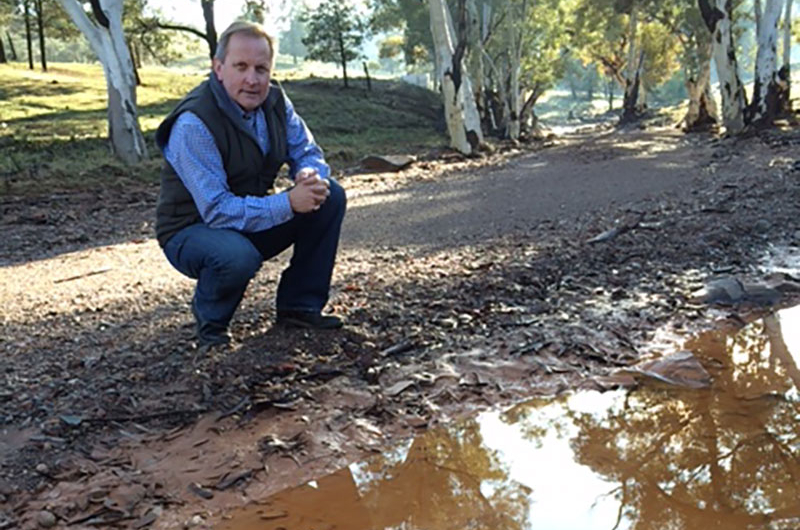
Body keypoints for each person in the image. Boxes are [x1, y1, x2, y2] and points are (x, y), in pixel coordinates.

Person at [154, 21, 346, 346]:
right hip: (192, 229)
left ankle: (299, 306)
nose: (252, 79)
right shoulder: (193, 123)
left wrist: (307, 175)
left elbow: (309, 151)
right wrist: (288, 203)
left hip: (245, 216)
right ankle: (211, 327)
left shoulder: (275, 101)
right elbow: (216, 211)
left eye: (261, 68)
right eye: (240, 66)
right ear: (218, 68)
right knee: (235, 256)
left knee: (328, 195)